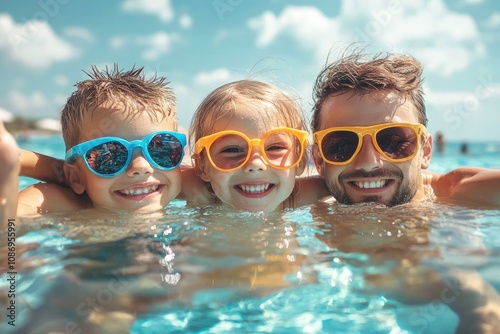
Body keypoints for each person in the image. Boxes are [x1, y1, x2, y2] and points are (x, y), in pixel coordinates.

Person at [310, 51, 500, 208]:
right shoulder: (301, 203)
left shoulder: (460, 196)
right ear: (318, 160)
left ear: (425, 151)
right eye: (343, 146)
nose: (369, 163)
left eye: (392, 141)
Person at [3, 65, 187, 219]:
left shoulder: (192, 187)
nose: (140, 166)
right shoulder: (66, 204)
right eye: (110, 154)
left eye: (161, 148)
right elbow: (10, 226)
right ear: (75, 178)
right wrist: (9, 162)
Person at [183, 79, 328, 212]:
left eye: (274, 148)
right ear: (202, 166)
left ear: (300, 161)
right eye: (233, 150)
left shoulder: (294, 198)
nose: (255, 164)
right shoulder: (202, 196)